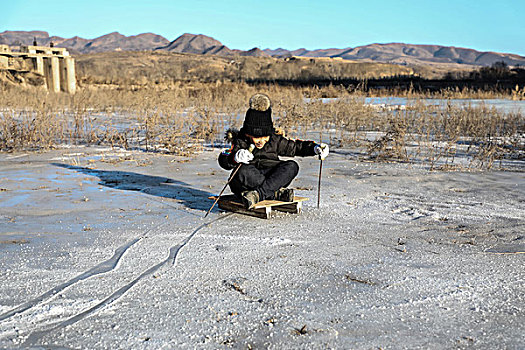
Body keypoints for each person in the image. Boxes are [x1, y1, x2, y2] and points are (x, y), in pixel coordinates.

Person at [218, 93, 329, 209]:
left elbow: (295, 147)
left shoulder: (275, 140)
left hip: (272, 178)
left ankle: (259, 195)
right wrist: (234, 158)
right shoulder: (241, 141)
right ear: (248, 134)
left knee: (292, 166)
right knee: (242, 171)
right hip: (248, 183)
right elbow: (224, 158)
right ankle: (274, 193)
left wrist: (314, 148)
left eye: (265, 137)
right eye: (257, 137)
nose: (261, 141)